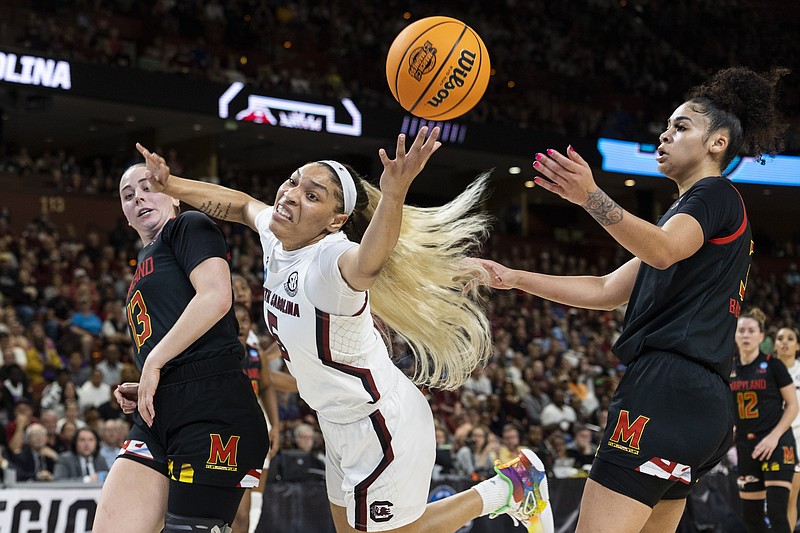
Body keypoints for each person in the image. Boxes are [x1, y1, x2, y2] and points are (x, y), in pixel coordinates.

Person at [137, 126, 555, 532]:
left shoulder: (331, 262)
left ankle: (512, 488)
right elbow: (242, 204)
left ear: (335, 221)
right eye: (294, 182)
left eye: (311, 195)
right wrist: (172, 184)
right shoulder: (279, 237)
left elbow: (370, 260)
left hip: (380, 424)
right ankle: (513, 487)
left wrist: (394, 194)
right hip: (338, 422)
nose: (290, 195)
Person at [475, 66, 788, 532]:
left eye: (681, 127)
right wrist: (513, 277)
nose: (665, 136)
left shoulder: (713, 193)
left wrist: (591, 197)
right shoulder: (687, 220)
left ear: (717, 143)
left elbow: (660, 252)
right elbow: (606, 290)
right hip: (703, 405)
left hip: (666, 388)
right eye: (665, 127)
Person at [92, 161, 269, 533]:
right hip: (161, 411)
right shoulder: (145, 259)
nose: (138, 197)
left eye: (147, 186)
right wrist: (154, 381)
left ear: (174, 195)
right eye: (128, 195)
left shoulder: (189, 225)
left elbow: (217, 296)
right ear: (125, 215)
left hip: (214, 408)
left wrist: (154, 363)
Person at [730, 308, 798, 533]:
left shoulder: (773, 365)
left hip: (777, 443)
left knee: (778, 513)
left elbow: (793, 405)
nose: (746, 335)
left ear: (761, 336)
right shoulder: (728, 369)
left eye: (751, 331)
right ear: (735, 335)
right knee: (752, 519)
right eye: (741, 331)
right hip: (746, 445)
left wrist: (774, 437)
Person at [774, 325, 800, 530]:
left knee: (788, 499)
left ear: (798, 346)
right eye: (780, 338)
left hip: (797, 440)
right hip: (768, 441)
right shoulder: (764, 369)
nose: (784, 342)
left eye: (790, 339)